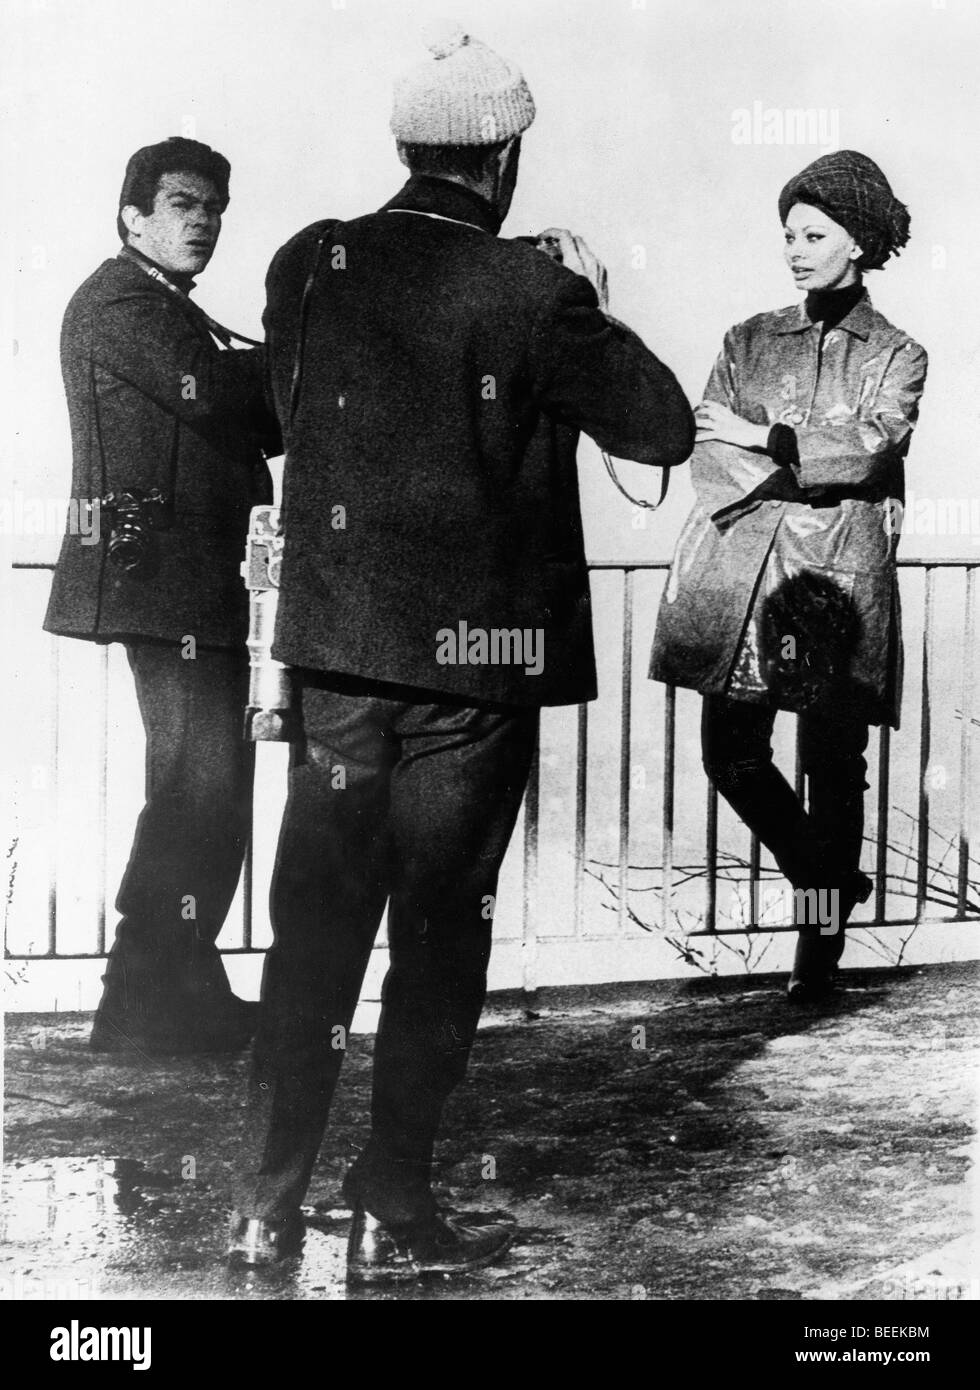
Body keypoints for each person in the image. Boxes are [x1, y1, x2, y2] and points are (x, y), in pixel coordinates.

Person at [228, 27, 694, 1282]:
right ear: (502, 155)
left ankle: (265, 1208)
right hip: (471, 682)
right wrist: (577, 292)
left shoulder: (306, 261)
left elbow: (286, 414)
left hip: (331, 663)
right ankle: (394, 1201)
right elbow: (658, 424)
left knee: (313, 931)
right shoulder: (532, 290)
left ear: (405, 146)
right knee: (439, 934)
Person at [650, 150, 928, 1001]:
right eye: (789, 235)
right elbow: (708, 455)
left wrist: (767, 441)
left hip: (837, 583)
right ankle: (828, 881)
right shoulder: (747, 338)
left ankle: (818, 961)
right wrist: (815, 470)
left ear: (860, 241)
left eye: (814, 234)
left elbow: (877, 446)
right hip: (745, 582)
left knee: (835, 765)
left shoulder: (898, 352)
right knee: (729, 751)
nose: (796, 250)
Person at [44, 137, 278, 1053]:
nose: (204, 221)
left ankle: (177, 991)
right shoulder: (122, 303)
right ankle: (138, 1005)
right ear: (131, 214)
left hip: (192, 590)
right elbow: (226, 398)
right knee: (199, 788)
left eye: (215, 206)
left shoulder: (166, 308)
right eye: (184, 203)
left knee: (203, 790)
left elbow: (235, 393)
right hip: (167, 589)